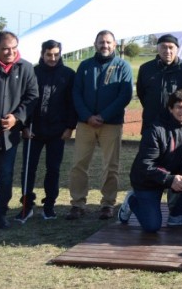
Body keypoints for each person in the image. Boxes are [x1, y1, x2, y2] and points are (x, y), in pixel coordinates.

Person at [68, 30, 133, 220]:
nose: (105, 45)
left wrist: (104, 116)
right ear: (95, 44)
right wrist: (87, 116)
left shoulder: (123, 66)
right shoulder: (85, 65)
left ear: (114, 45)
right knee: (79, 164)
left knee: (111, 165)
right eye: (101, 42)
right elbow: (76, 93)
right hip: (85, 123)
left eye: (108, 42)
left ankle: (107, 203)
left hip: (111, 123)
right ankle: (77, 203)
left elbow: (124, 95)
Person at [118, 90, 182, 232]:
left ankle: (176, 216)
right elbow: (146, 165)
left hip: (174, 174)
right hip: (148, 179)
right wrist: (170, 179)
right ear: (171, 109)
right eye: (179, 107)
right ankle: (132, 201)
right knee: (152, 226)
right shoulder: (155, 129)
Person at [0, 31, 38, 231]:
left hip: (9, 136)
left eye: (13, 48)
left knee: (5, 177)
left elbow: (32, 96)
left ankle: (0, 213)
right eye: (5, 48)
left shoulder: (26, 68)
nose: (10, 52)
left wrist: (17, 118)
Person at [16, 40, 76, 222]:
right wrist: (23, 126)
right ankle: (26, 206)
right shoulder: (32, 72)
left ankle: (49, 206)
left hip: (57, 131)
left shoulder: (68, 74)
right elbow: (23, 100)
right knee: (28, 169)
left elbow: (72, 103)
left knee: (53, 169)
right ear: (42, 54)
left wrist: (70, 127)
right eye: (49, 54)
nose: (52, 58)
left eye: (56, 55)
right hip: (33, 130)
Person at [136, 34, 182, 135]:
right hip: (152, 121)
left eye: (171, 47)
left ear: (177, 49)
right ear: (158, 48)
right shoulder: (145, 68)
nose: (167, 51)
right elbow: (141, 93)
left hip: (177, 124)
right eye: (163, 47)